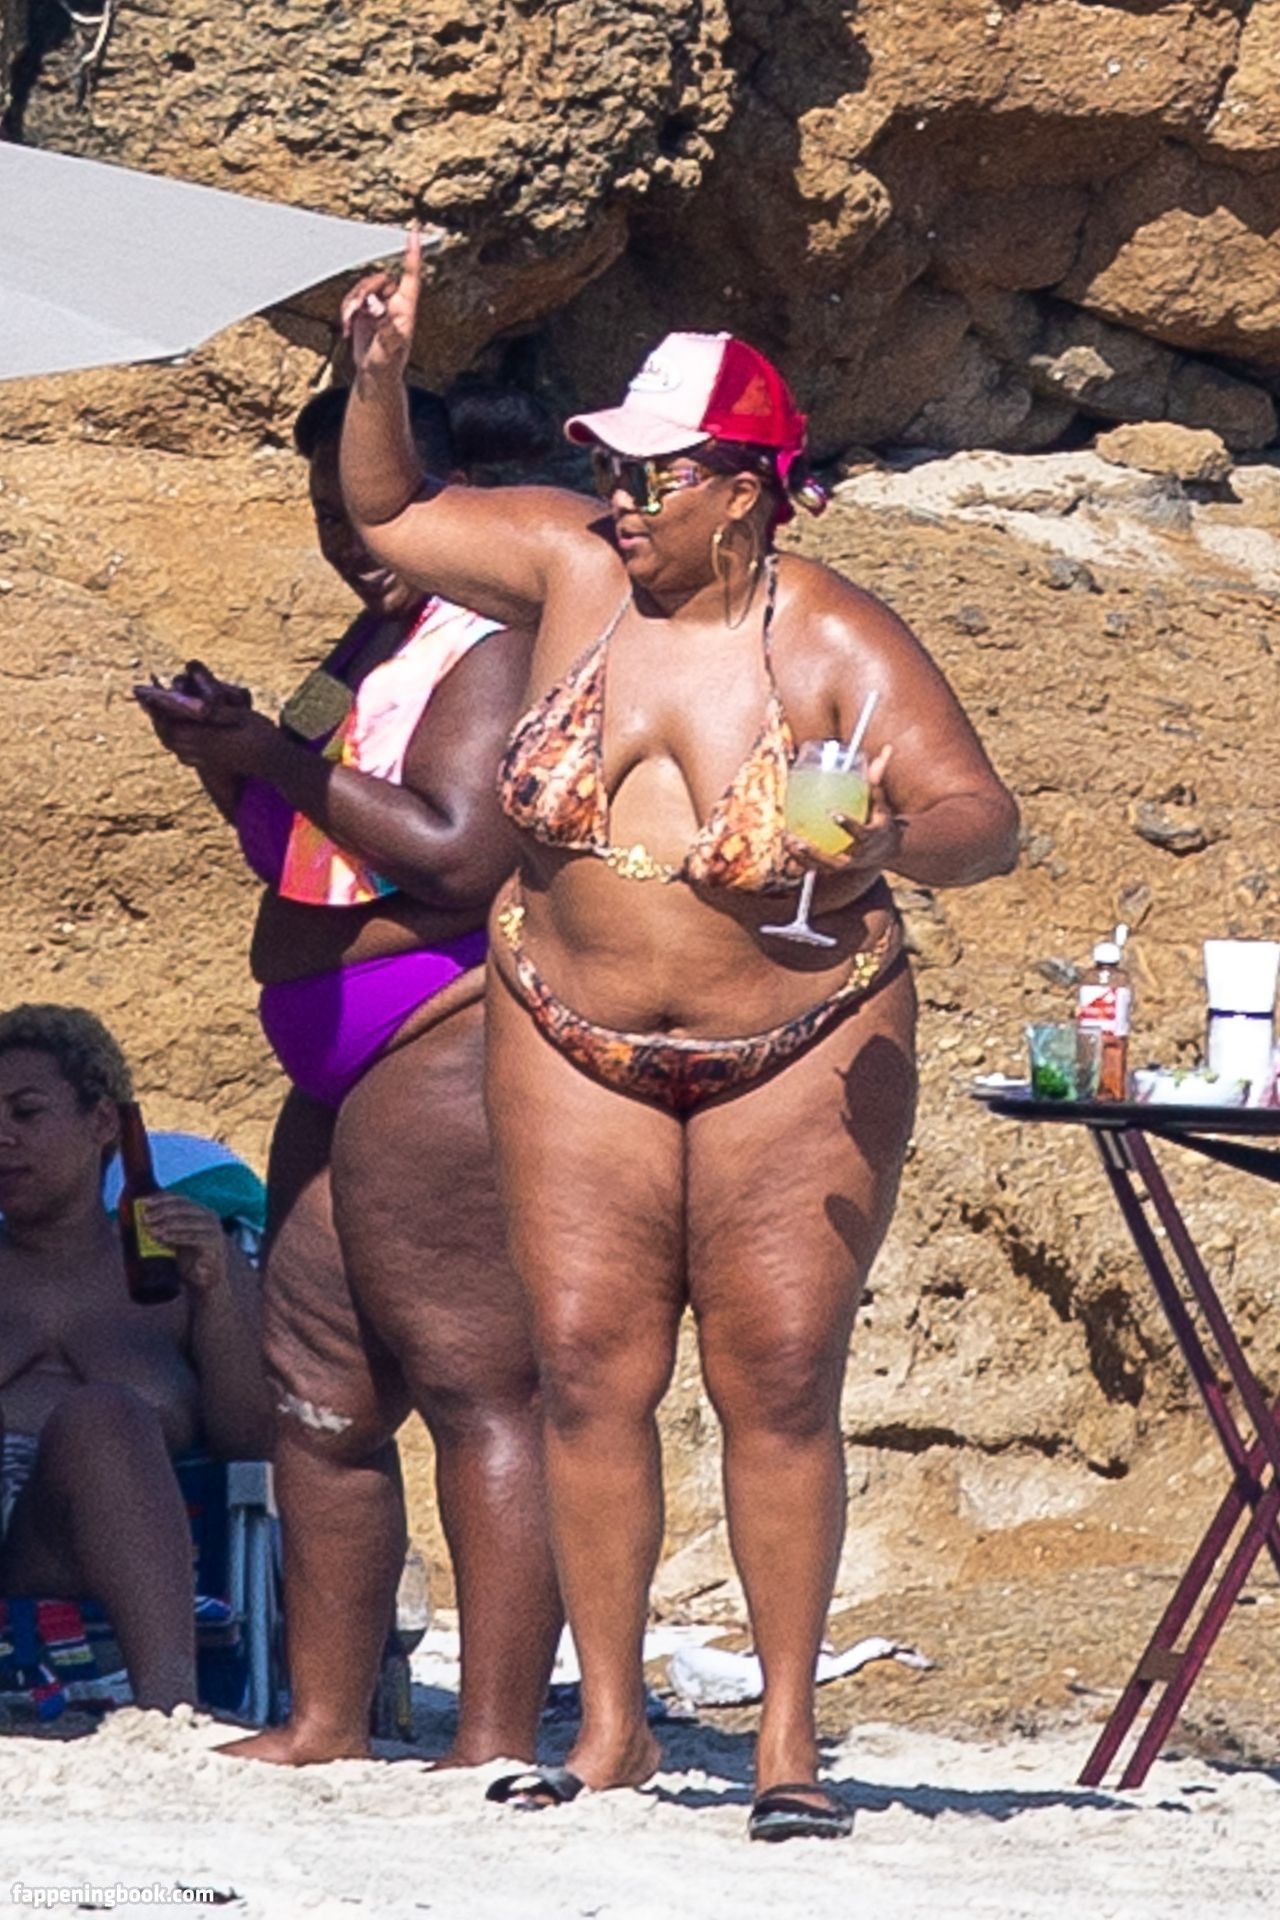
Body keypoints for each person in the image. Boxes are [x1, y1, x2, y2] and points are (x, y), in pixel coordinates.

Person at [337, 238, 1021, 1839]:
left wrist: (881, 845)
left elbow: (980, 819)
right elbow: (388, 513)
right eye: (612, 467)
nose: (622, 496)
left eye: (655, 472)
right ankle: (613, 1729)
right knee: (587, 1368)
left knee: (774, 1374)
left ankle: (786, 1738)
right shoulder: (570, 570)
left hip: (798, 1038)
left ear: (747, 490)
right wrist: (377, 376)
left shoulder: (834, 639)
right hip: (565, 1026)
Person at [139, 381, 562, 1768]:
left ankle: (491, 1734)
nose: (347, 536)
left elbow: (455, 849)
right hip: (340, 1061)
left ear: (438, 494)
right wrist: (226, 753)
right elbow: (299, 827)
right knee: (315, 1390)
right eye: (325, 511)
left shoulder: (495, 637)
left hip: (441, 1038)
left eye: (365, 502)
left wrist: (266, 749)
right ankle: (325, 1719)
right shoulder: (373, 636)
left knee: (477, 1389)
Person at [0, 1004, 271, 1712]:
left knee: (105, 1417)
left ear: (102, 1124)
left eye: (26, 1112)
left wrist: (215, 1293)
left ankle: (169, 1709)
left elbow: (251, 1444)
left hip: (69, 1545)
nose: (2, 1136)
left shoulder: (175, 1267)